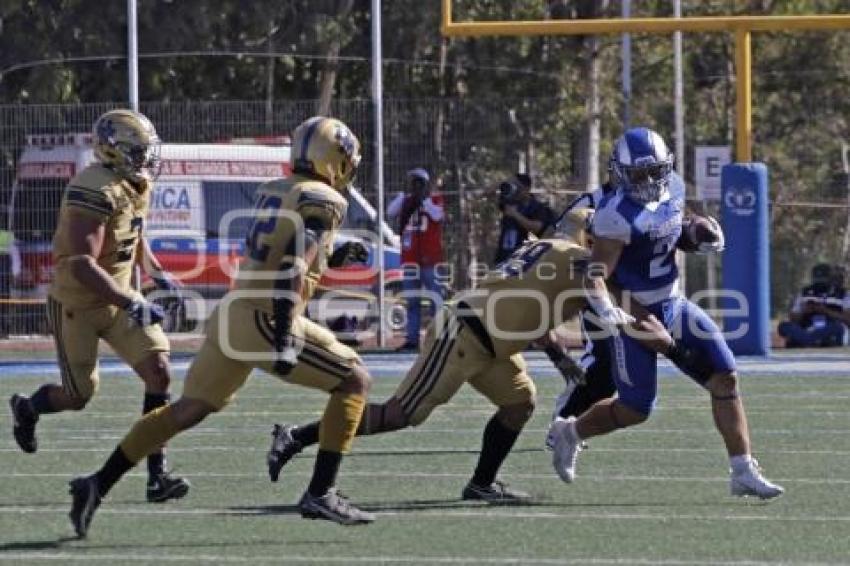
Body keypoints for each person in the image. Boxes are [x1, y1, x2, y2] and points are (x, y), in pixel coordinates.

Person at [67, 116, 375, 537]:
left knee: (187, 409)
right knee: (355, 380)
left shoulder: (277, 188)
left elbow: (279, 250)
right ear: (335, 159)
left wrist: (334, 256)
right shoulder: (325, 199)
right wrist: (284, 334)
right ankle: (321, 492)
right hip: (267, 315)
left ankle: (96, 484)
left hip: (233, 313)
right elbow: (292, 266)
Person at [267, 237, 681, 503]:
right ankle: (297, 435)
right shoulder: (580, 266)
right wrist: (650, 334)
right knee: (400, 415)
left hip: (491, 341)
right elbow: (595, 303)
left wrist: (559, 358)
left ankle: (481, 484)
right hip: (463, 333)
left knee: (520, 403)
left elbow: (528, 302)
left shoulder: (554, 251)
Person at [548, 126, 784, 500]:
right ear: (620, 173)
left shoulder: (672, 186)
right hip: (634, 307)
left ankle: (742, 469)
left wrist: (697, 234)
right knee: (635, 409)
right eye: (638, 174)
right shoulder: (615, 215)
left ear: (666, 168)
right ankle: (570, 432)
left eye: (654, 171)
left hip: (673, 301)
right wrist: (609, 311)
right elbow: (597, 275)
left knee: (726, 378)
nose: (648, 181)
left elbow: (673, 231)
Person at [8, 109, 189, 503]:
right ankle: (28, 407)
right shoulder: (91, 188)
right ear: (112, 151)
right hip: (78, 304)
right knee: (78, 396)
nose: (145, 159)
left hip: (120, 299)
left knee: (159, 371)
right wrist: (130, 300)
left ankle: (157, 476)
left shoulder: (135, 183)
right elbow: (81, 263)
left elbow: (133, 234)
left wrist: (157, 276)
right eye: (137, 151)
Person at [387, 168, 445, 350]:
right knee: (412, 301)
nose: (416, 186)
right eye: (413, 182)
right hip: (410, 258)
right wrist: (406, 197)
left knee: (436, 300)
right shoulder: (405, 201)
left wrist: (424, 200)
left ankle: (439, 339)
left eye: (419, 182)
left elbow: (437, 215)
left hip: (431, 259)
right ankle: (412, 339)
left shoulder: (434, 200)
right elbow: (390, 212)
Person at [777, 263, 849, 347]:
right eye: (818, 280)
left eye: (824, 279)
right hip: (807, 327)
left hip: (830, 327)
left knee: (838, 328)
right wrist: (805, 311)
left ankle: (805, 340)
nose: (820, 283)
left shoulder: (843, 294)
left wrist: (826, 311)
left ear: (831, 278)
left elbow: (847, 319)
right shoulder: (805, 293)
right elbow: (793, 318)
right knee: (784, 326)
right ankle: (812, 340)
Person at [493, 173, 556, 264]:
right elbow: (488, 193)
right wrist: (505, 182)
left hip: (523, 258)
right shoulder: (510, 202)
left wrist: (515, 214)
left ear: (527, 189)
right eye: (514, 186)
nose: (516, 190)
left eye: (519, 187)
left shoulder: (537, 207)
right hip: (504, 256)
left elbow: (536, 227)